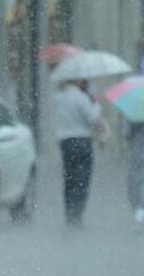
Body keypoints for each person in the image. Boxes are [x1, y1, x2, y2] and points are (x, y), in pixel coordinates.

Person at [53, 79, 104, 227]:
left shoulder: (58, 98)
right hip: (82, 141)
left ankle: (69, 214)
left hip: (65, 142)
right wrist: (96, 103)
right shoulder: (81, 98)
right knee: (82, 179)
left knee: (69, 179)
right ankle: (77, 214)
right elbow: (93, 118)